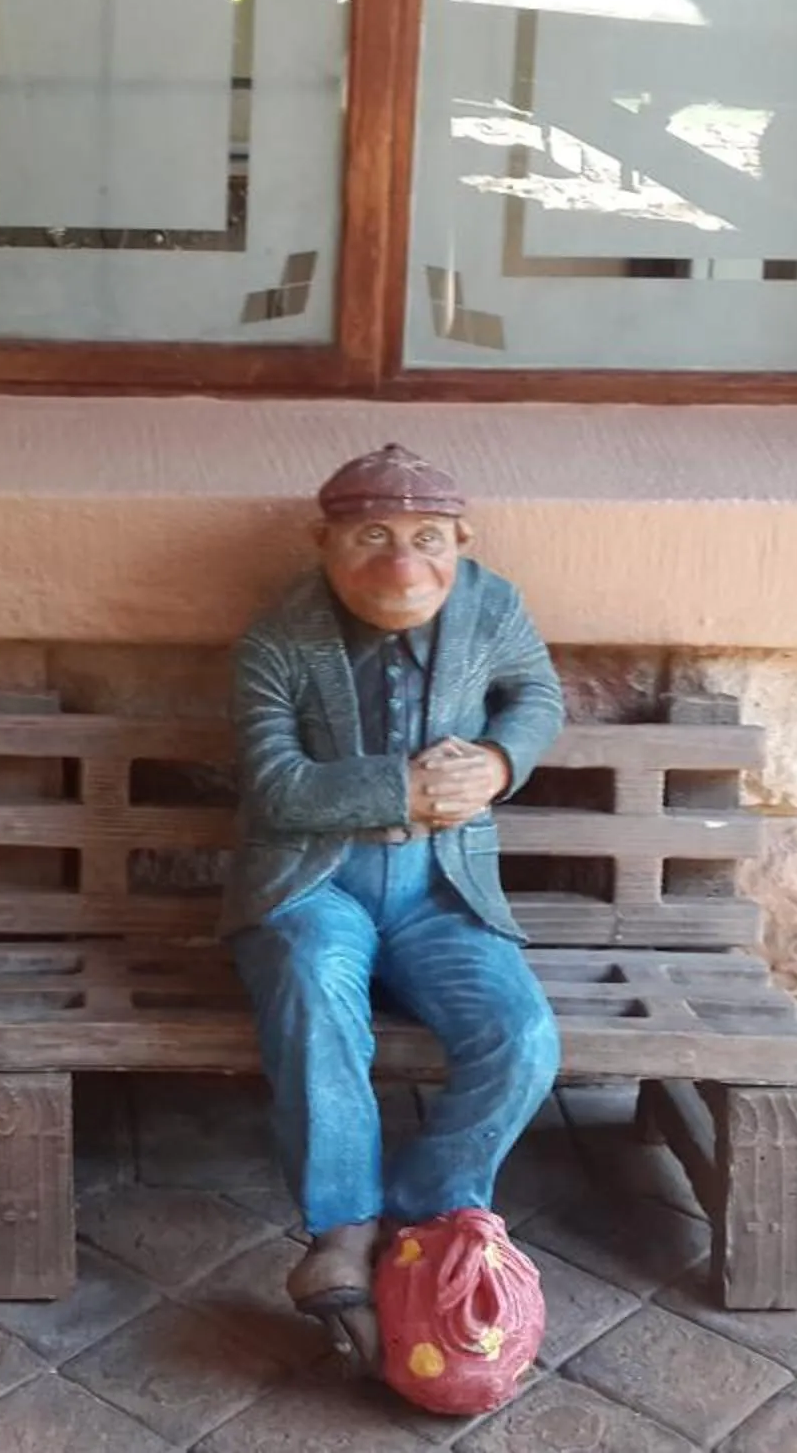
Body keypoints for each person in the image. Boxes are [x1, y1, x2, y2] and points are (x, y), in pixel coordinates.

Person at [226, 443, 565, 1362]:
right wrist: (399, 792)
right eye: (372, 536)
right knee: (310, 987)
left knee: (522, 1033)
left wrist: (498, 762)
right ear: (325, 542)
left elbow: (535, 693)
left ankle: (427, 1214)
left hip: (440, 887)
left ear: (462, 539)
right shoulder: (278, 637)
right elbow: (274, 786)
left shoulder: (493, 606)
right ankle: (341, 1224)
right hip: (316, 881)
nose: (401, 564)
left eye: (425, 538)